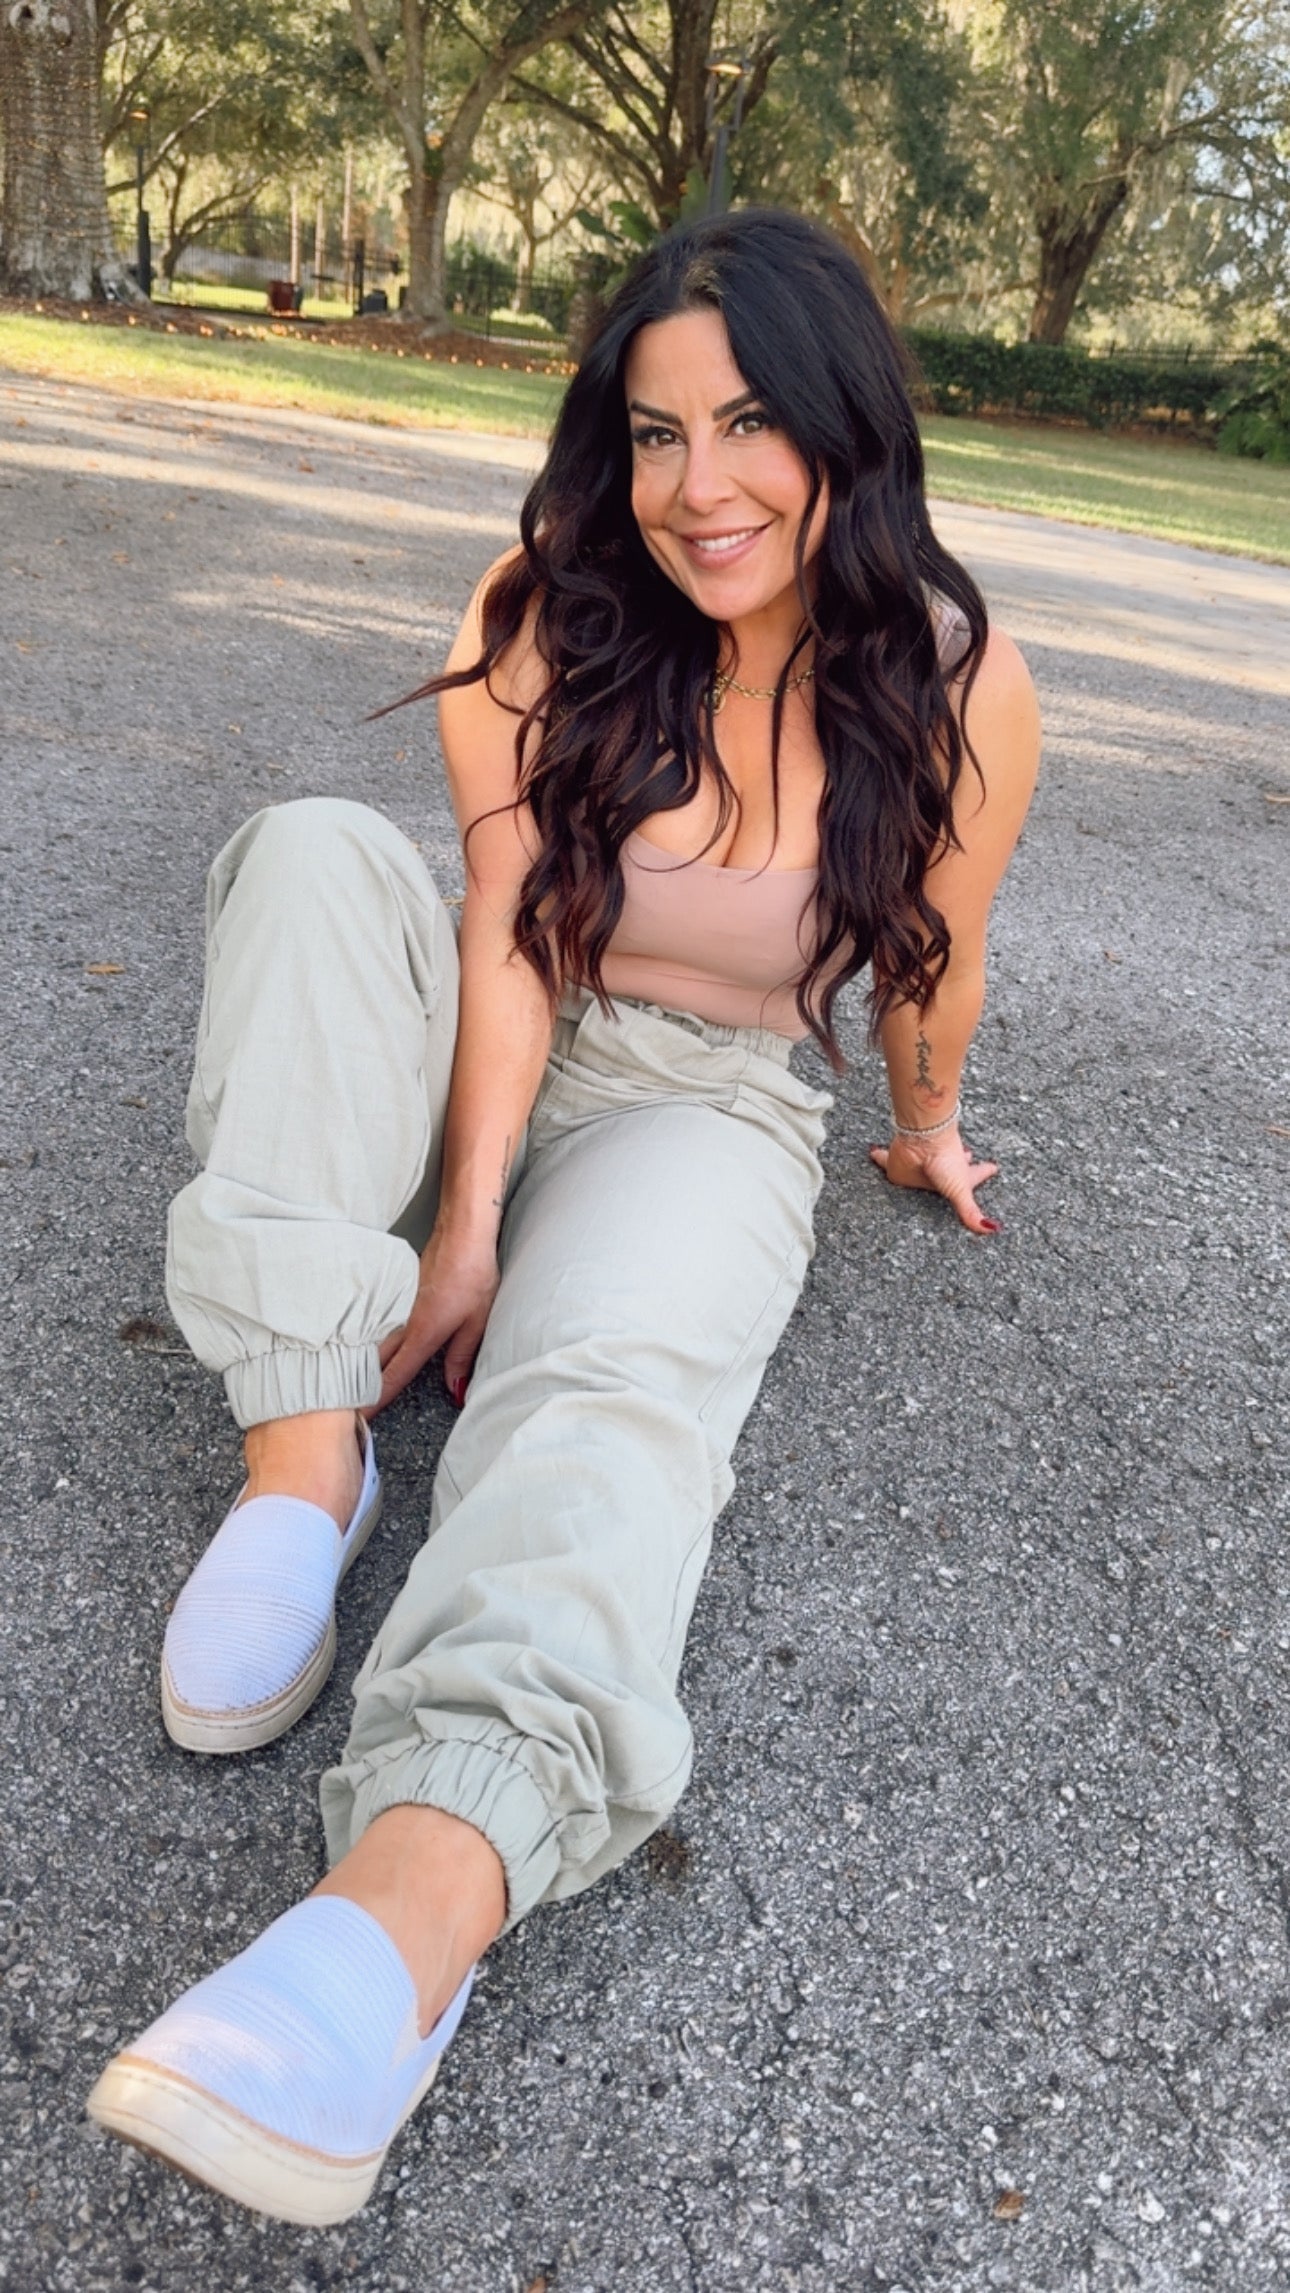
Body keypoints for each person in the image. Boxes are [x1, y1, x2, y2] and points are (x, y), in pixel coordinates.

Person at [87, 208, 1040, 2225]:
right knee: (319, 854)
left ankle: (410, 1899)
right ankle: (306, 1460)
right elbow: (511, 917)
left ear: (848, 427)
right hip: (502, 1013)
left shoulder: (960, 687)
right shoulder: (554, 605)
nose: (699, 486)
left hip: (704, 1093)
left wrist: (927, 1125)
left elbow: (932, 967)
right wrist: (464, 1223)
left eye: (751, 422)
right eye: (656, 431)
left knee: (609, 1387)